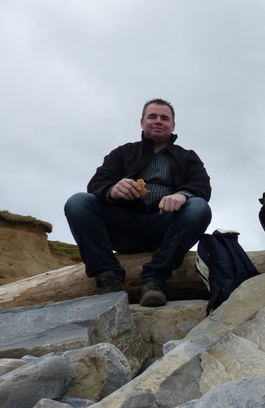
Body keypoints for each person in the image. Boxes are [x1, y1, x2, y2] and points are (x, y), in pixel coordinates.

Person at [64, 98, 212, 307]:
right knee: (78, 202)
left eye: (164, 118)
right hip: (125, 227)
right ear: (142, 122)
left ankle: (155, 278)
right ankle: (109, 278)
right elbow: (96, 183)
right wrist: (112, 190)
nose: (158, 121)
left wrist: (183, 195)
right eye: (152, 117)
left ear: (173, 125)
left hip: (166, 227)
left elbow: (202, 186)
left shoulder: (187, 157)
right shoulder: (123, 153)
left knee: (199, 207)